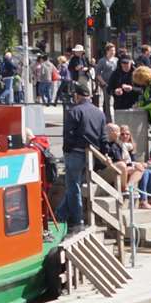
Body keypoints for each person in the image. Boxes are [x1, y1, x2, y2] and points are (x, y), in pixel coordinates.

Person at [58, 83, 108, 228]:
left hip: (75, 152)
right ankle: (60, 213)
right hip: (92, 154)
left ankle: (77, 219)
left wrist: (67, 150)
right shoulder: (99, 113)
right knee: (76, 186)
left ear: (77, 95)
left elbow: (68, 134)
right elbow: (103, 137)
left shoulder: (74, 111)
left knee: (73, 187)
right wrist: (103, 156)